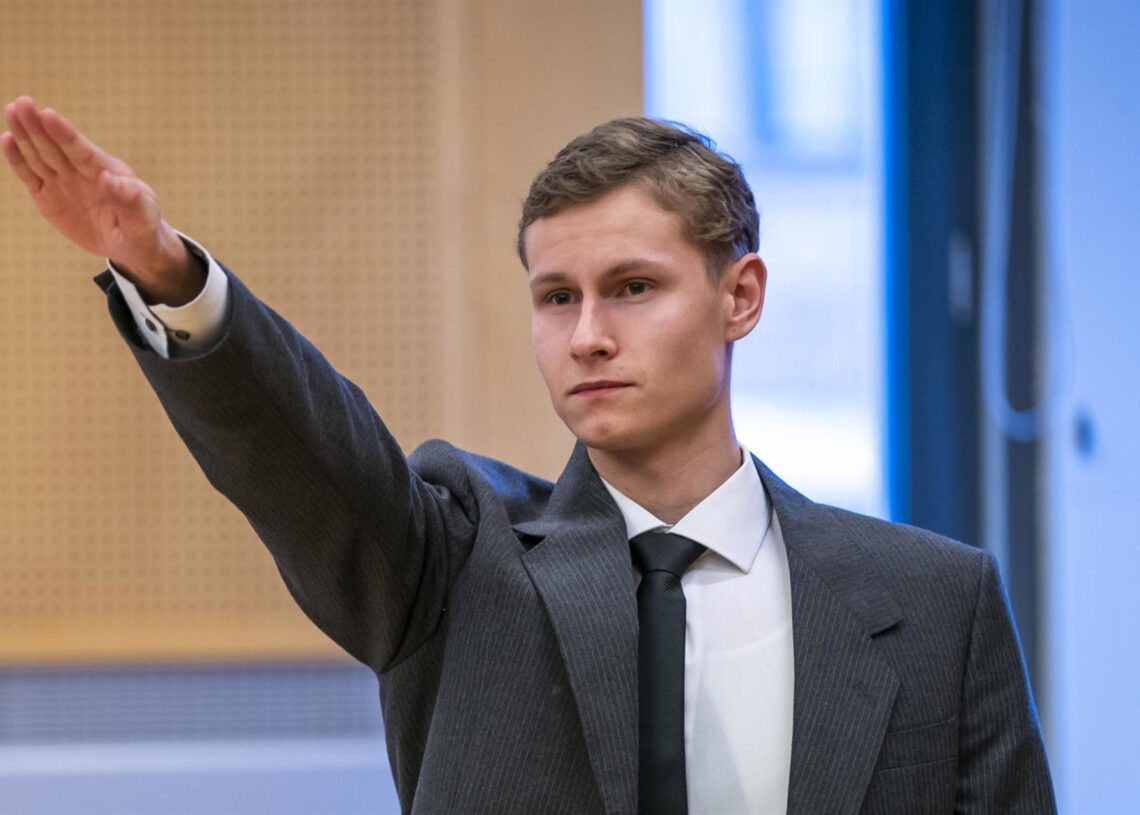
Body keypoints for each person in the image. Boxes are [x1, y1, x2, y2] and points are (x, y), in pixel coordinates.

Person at [2, 95, 1055, 814]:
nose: (587, 333)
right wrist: (167, 271)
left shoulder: (938, 601)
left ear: (741, 296)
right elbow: (306, 451)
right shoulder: (456, 561)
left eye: (633, 288)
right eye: (558, 297)